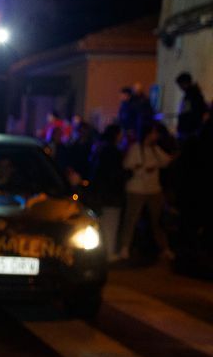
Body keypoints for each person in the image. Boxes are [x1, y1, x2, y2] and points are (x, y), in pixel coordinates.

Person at [118, 122, 175, 260]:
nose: (156, 136)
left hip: (153, 189)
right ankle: (125, 247)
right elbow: (128, 165)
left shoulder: (155, 150)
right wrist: (142, 168)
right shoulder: (136, 149)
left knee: (158, 220)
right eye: (154, 133)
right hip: (137, 188)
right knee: (132, 219)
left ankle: (164, 247)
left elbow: (166, 161)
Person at [87, 125, 127, 262]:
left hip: (101, 193)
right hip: (111, 194)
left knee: (103, 223)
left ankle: (102, 251)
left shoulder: (99, 149)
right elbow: (114, 175)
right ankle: (108, 253)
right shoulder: (112, 151)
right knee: (110, 224)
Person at [175, 72, 208, 141]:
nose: (180, 87)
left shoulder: (191, 96)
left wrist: (181, 129)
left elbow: (186, 113)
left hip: (188, 131)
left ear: (185, 83)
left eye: (180, 85)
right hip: (191, 130)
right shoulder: (195, 95)